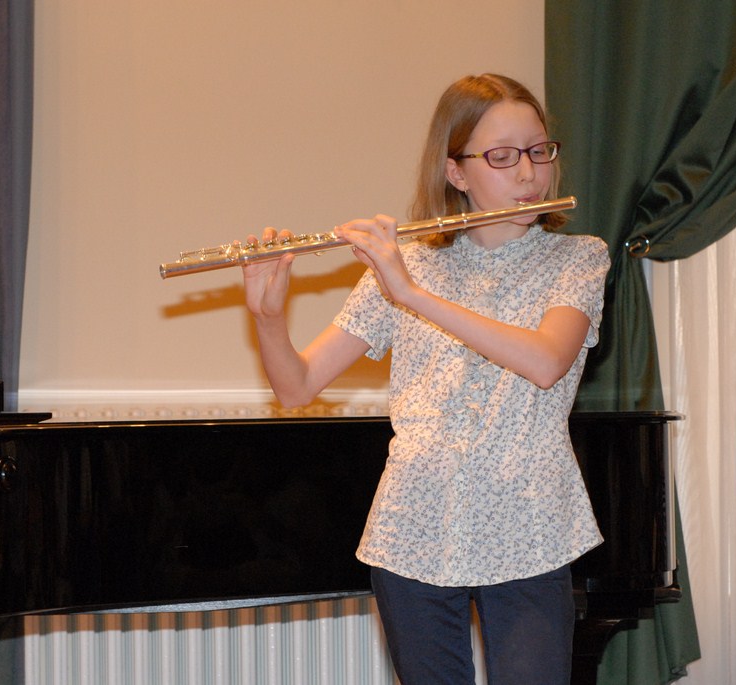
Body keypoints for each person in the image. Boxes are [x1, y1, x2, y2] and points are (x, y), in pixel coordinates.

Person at [241, 73, 610, 685]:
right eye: (502, 156)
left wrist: (410, 294)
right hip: (410, 532)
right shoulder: (406, 262)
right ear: (456, 172)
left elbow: (547, 361)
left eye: (539, 150)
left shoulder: (577, 259)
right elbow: (297, 387)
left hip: (531, 528)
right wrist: (269, 317)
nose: (528, 174)